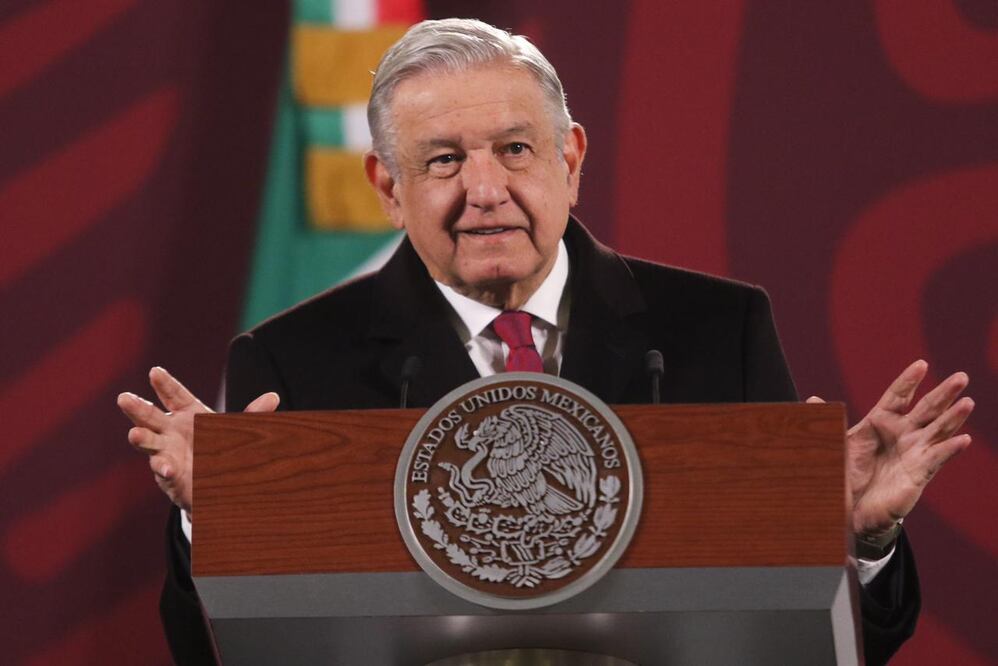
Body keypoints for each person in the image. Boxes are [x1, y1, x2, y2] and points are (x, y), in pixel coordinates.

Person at [118, 18, 975, 666]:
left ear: (570, 160)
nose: (485, 189)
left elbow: (825, 644)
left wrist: (855, 541)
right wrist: (212, 520)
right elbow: (212, 653)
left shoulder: (718, 331)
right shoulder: (291, 362)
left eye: (515, 149)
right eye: (443, 161)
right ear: (387, 186)